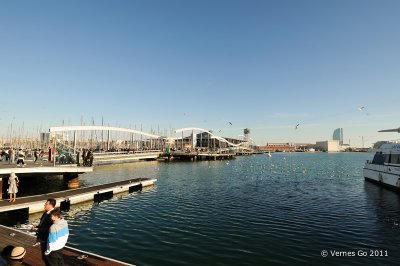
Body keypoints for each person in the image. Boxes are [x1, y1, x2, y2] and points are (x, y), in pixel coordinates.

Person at [33, 198, 56, 266]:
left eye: (46, 204)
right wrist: (36, 227)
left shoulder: (53, 215)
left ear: (50, 205)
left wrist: (38, 230)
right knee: (44, 257)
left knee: (47, 258)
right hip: (42, 238)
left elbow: (51, 229)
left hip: (47, 239)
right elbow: (42, 224)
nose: (44, 205)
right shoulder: (46, 213)